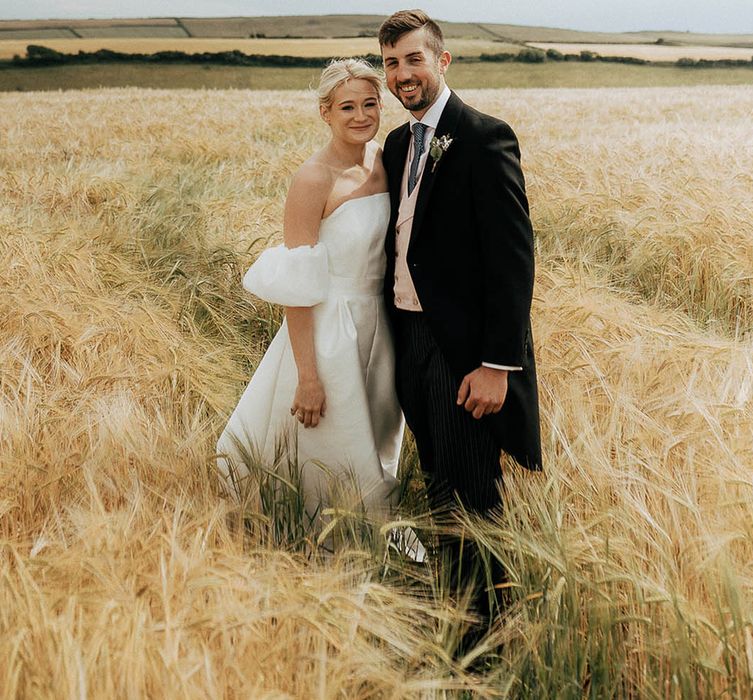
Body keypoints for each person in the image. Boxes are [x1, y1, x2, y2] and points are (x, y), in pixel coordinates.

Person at [378, 10, 542, 632]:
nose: (402, 74)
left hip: (467, 352)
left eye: (414, 60)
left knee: (474, 493)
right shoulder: (397, 144)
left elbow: (513, 259)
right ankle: (455, 615)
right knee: (438, 484)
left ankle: (487, 634)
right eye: (392, 63)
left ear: (443, 62)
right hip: (410, 339)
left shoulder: (483, 137)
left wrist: (497, 364)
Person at [216, 59, 407, 531]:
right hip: (328, 334)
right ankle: (316, 543)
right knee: (333, 448)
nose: (360, 115)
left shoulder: (385, 160)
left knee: (378, 442)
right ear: (325, 112)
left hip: (382, 329)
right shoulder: (312, 179)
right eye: (347, 107)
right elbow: (298, 287)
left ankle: (375, 542)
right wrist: (308, 376)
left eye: (369, 104)